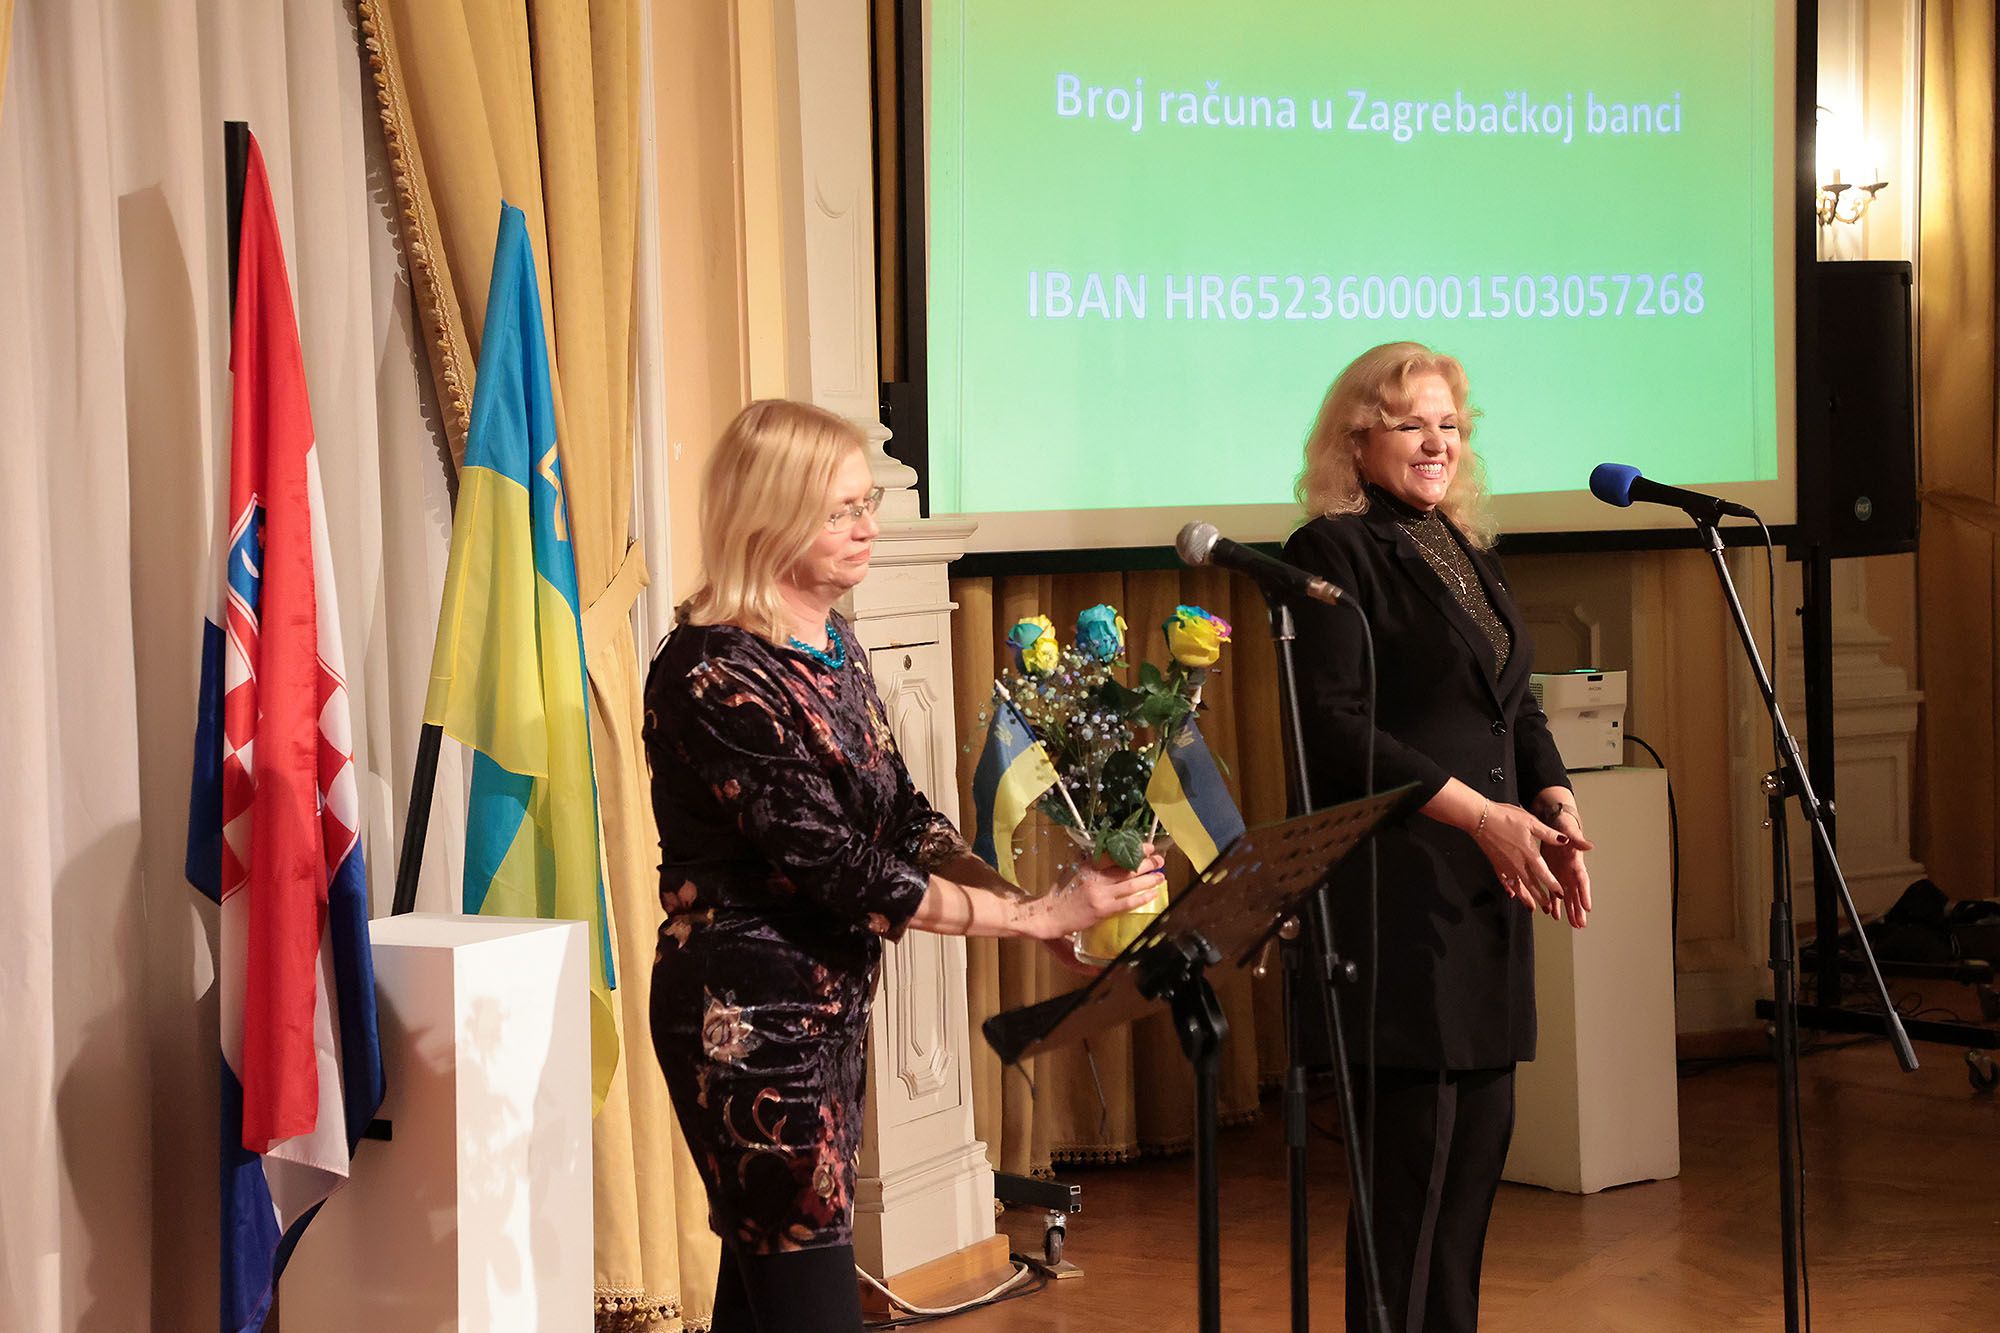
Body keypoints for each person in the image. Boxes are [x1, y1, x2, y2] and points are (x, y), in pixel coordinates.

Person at [642, 399, 1166, 1333]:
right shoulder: (713, 671)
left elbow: (905, 822)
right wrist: (1033, 918)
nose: (867, 527)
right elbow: (842, 867)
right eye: (841, 510)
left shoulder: (834, 641)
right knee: (804, 1300)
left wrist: (1031, 903)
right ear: (770, 515)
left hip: (827, 1011)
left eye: (866, 504)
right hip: (746, 1022)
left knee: (760, 1303)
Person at [1281, 342, 1594, 1333]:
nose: (1435, 442)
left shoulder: (1464, 548)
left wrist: (1552, 798)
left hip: (1489, 892)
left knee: (1469, 1181)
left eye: (1448, 424)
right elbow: (1337, 731)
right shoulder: (1329, 553)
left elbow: (1513, 705)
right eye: (1410, 423)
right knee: (1409, 1192)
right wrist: (1481, 815)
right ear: (1355, 440)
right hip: (1399, 897)